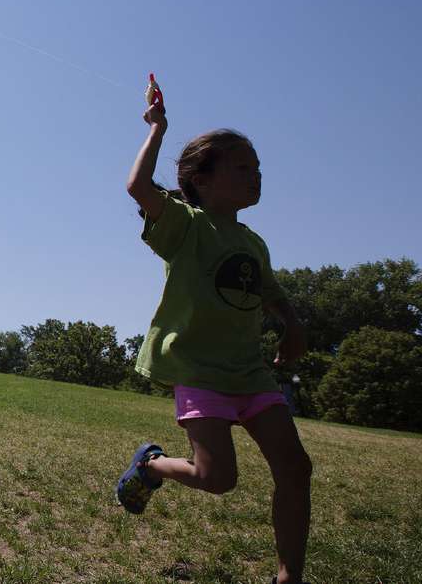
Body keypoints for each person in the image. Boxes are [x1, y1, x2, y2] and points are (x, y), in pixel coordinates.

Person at [118, 97, 312, 584]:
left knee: (295, 468)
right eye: (242, 168)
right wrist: (158, 129)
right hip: (199, 371)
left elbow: (271, 293)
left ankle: (289, 575)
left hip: (250, 373)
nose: (256, 176)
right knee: (217, 479)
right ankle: (153, 465)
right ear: (200, 180)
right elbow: (138, 186)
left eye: (258, 168)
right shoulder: (184, 225)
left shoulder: (253, 243)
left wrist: (292, 326)